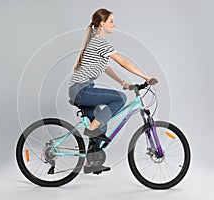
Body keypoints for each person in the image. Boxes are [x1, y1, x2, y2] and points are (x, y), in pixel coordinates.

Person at [68, 8, 158, 173]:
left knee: (102, 126)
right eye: (111, 21)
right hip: (81, 90)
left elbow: (106, 67)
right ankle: (92, 128)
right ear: (102, 23)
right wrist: (146, 76)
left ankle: (90, 163)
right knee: (120, 98)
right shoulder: (100, 42)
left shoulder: (96, 42)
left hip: (82, 89)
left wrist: (123, 81)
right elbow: (123, 62)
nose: (114, 24)